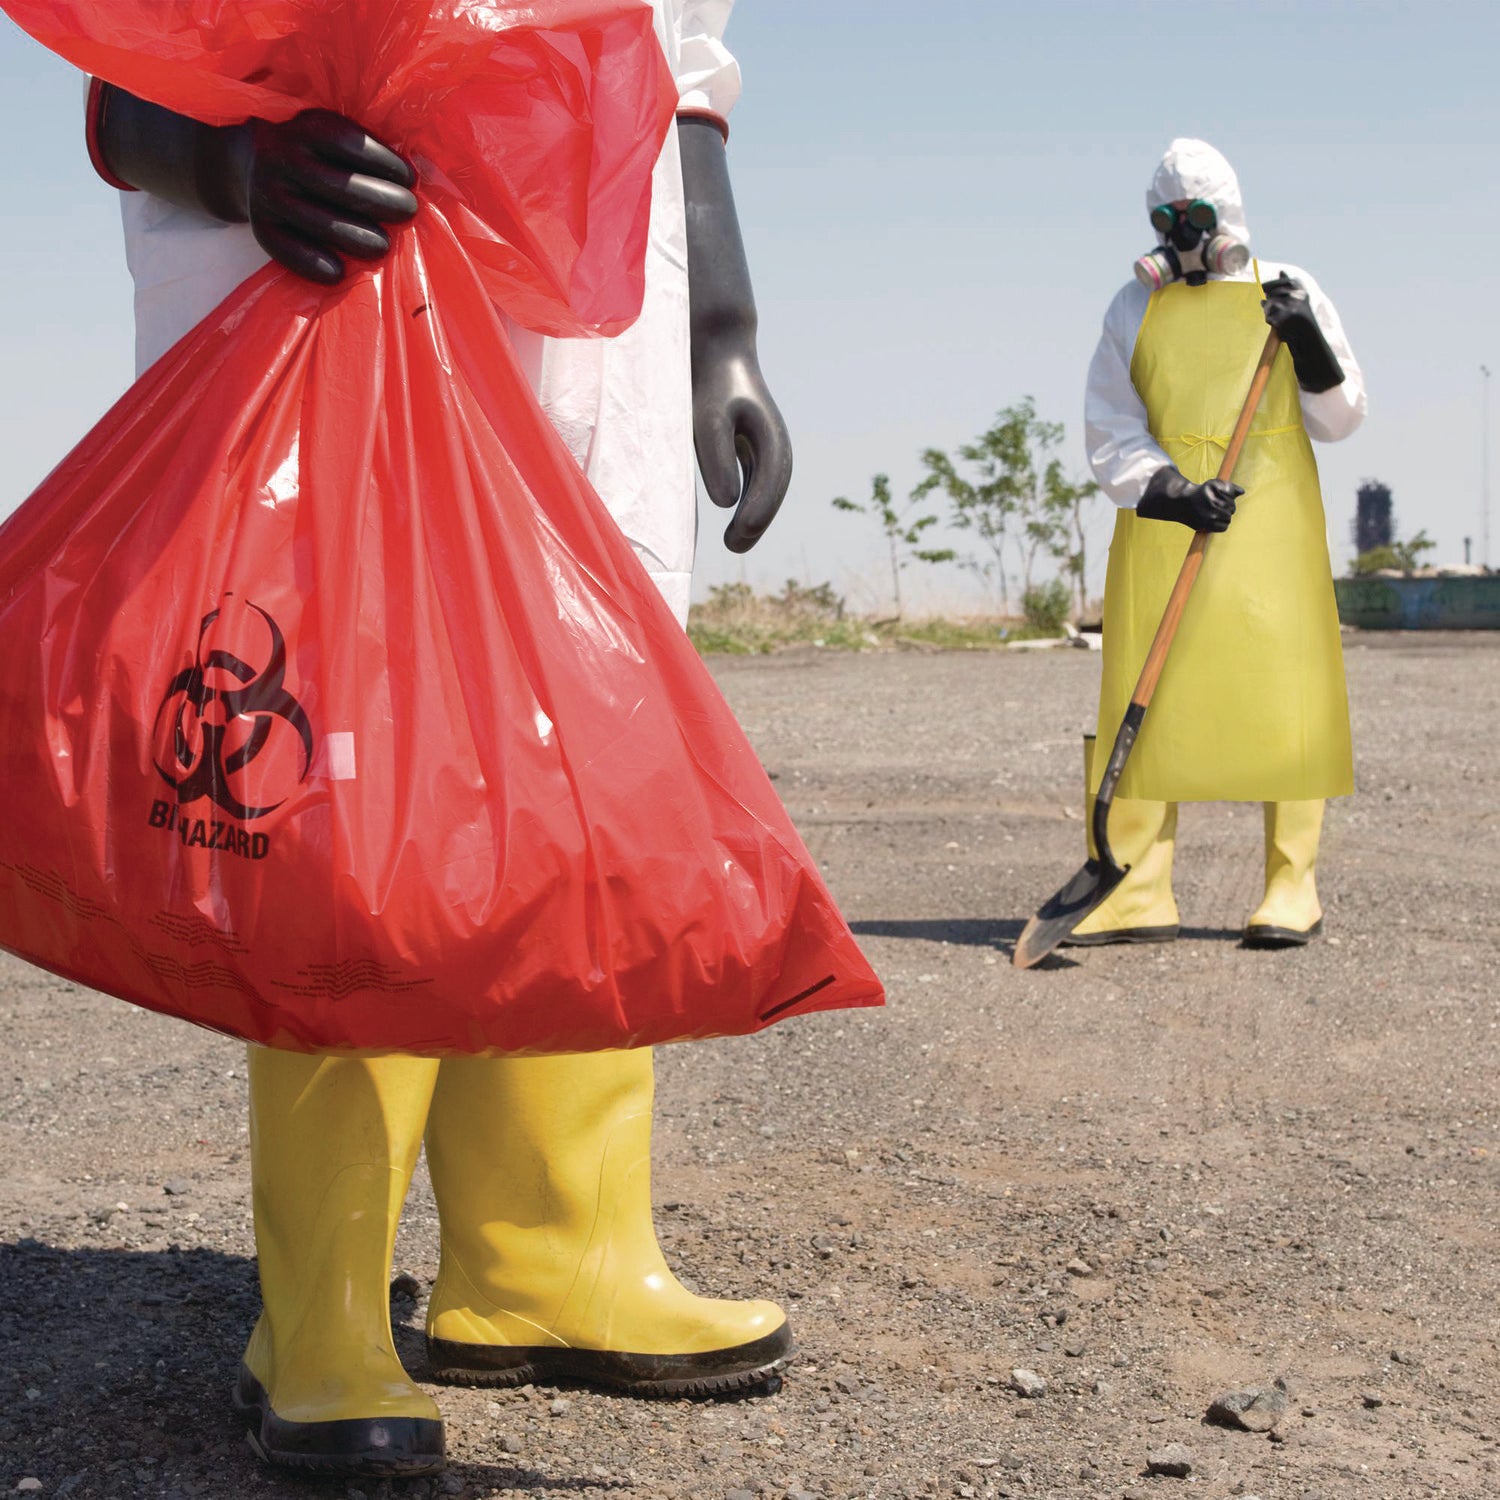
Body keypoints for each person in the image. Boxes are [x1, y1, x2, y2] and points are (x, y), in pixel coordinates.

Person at [86, 1, 794, 1477]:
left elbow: (683, 73)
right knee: (355, 794)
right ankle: (322, 1309)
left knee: (576, 776)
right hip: (333, 288)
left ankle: (554, 1251)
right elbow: (127, 69)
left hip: (597, 316)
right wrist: (232, 162)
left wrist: (721, 330)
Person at [1076, 137, 1365, 950]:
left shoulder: (1288, 289)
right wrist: (1167, 491)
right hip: (1166, 525)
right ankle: (1134, 889)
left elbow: (1340, 420)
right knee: (1143, 694)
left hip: (1269, 525)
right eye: (1167, 222)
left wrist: (1308, 344)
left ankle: (1290, 885)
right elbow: (1109, 426)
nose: (1184, 237)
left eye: (1197, 220)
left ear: (1229, 217)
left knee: (1287, 698)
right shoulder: (1131, 306)